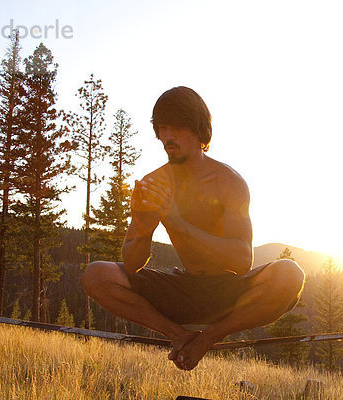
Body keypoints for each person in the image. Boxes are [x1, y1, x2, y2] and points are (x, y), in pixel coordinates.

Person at [81, 86, 305, 371]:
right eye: (162, 127)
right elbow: (132, 264)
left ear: (199, 130)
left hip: (231, 292)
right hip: (182, 289)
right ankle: (180, 336)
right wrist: (143, 226)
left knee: (290, 274)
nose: (168, 136)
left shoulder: (228, 182)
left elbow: (241, 261)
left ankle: (207, 338)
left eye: (177, 126)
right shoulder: (155, 184)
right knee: (95, 275)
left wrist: (177, 224)